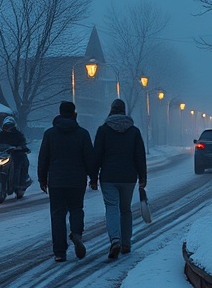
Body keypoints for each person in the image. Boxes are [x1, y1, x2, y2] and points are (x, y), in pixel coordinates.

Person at [37, 100, 95, 262]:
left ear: (60, 113)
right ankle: (76, 234)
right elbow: (89, 158)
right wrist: (93, 178)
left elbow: (43, 158)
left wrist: (42, 179)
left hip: (56, 180)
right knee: (76, 209)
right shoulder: (82, 134)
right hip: (77, 180)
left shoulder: (50, 134)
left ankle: (59, 252)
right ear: (74, 114)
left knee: (57, 215)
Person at [92, 98, 147, 260]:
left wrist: (93, 177)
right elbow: (140, 156)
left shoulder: (103, 130)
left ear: (111, 110)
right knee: (125, 209)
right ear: (124, 111)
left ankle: (115, 240)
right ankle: (126, 243)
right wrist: (142, 177)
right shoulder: (134, 131)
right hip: (129, 177)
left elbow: (97, 155)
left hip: (108, 176)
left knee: (111, 207)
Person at [0, 115, 30, 186]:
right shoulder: (0, 135)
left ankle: (21, 182)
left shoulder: (18, 134)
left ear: (13, 126)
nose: (8, 128)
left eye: (10, 126)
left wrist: (21, 147)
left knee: (22, 161)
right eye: (6, 126)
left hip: (15, 154)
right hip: (3, 154)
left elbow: (22, 142)